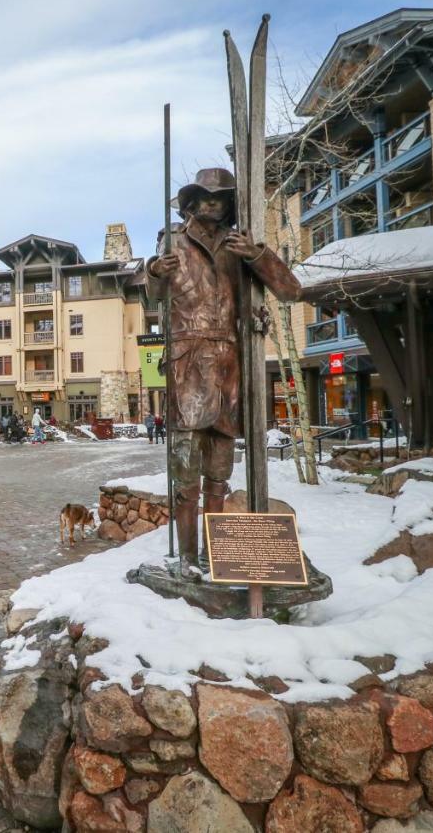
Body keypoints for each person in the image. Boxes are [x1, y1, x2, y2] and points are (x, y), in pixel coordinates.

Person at [147, 166, 300, 567]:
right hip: (187, 366)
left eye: (220, 196)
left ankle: (219, 556)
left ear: (231, 202)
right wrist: (153, 273)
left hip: (230, 370)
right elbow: (152, 297)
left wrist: (258, 255)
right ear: (191, 202)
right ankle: (187, 558)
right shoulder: (172, 241)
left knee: (219, 472)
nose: (211, 202)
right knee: (185, 475)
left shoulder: (240, 244)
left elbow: (291, 290)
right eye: (204, 196)